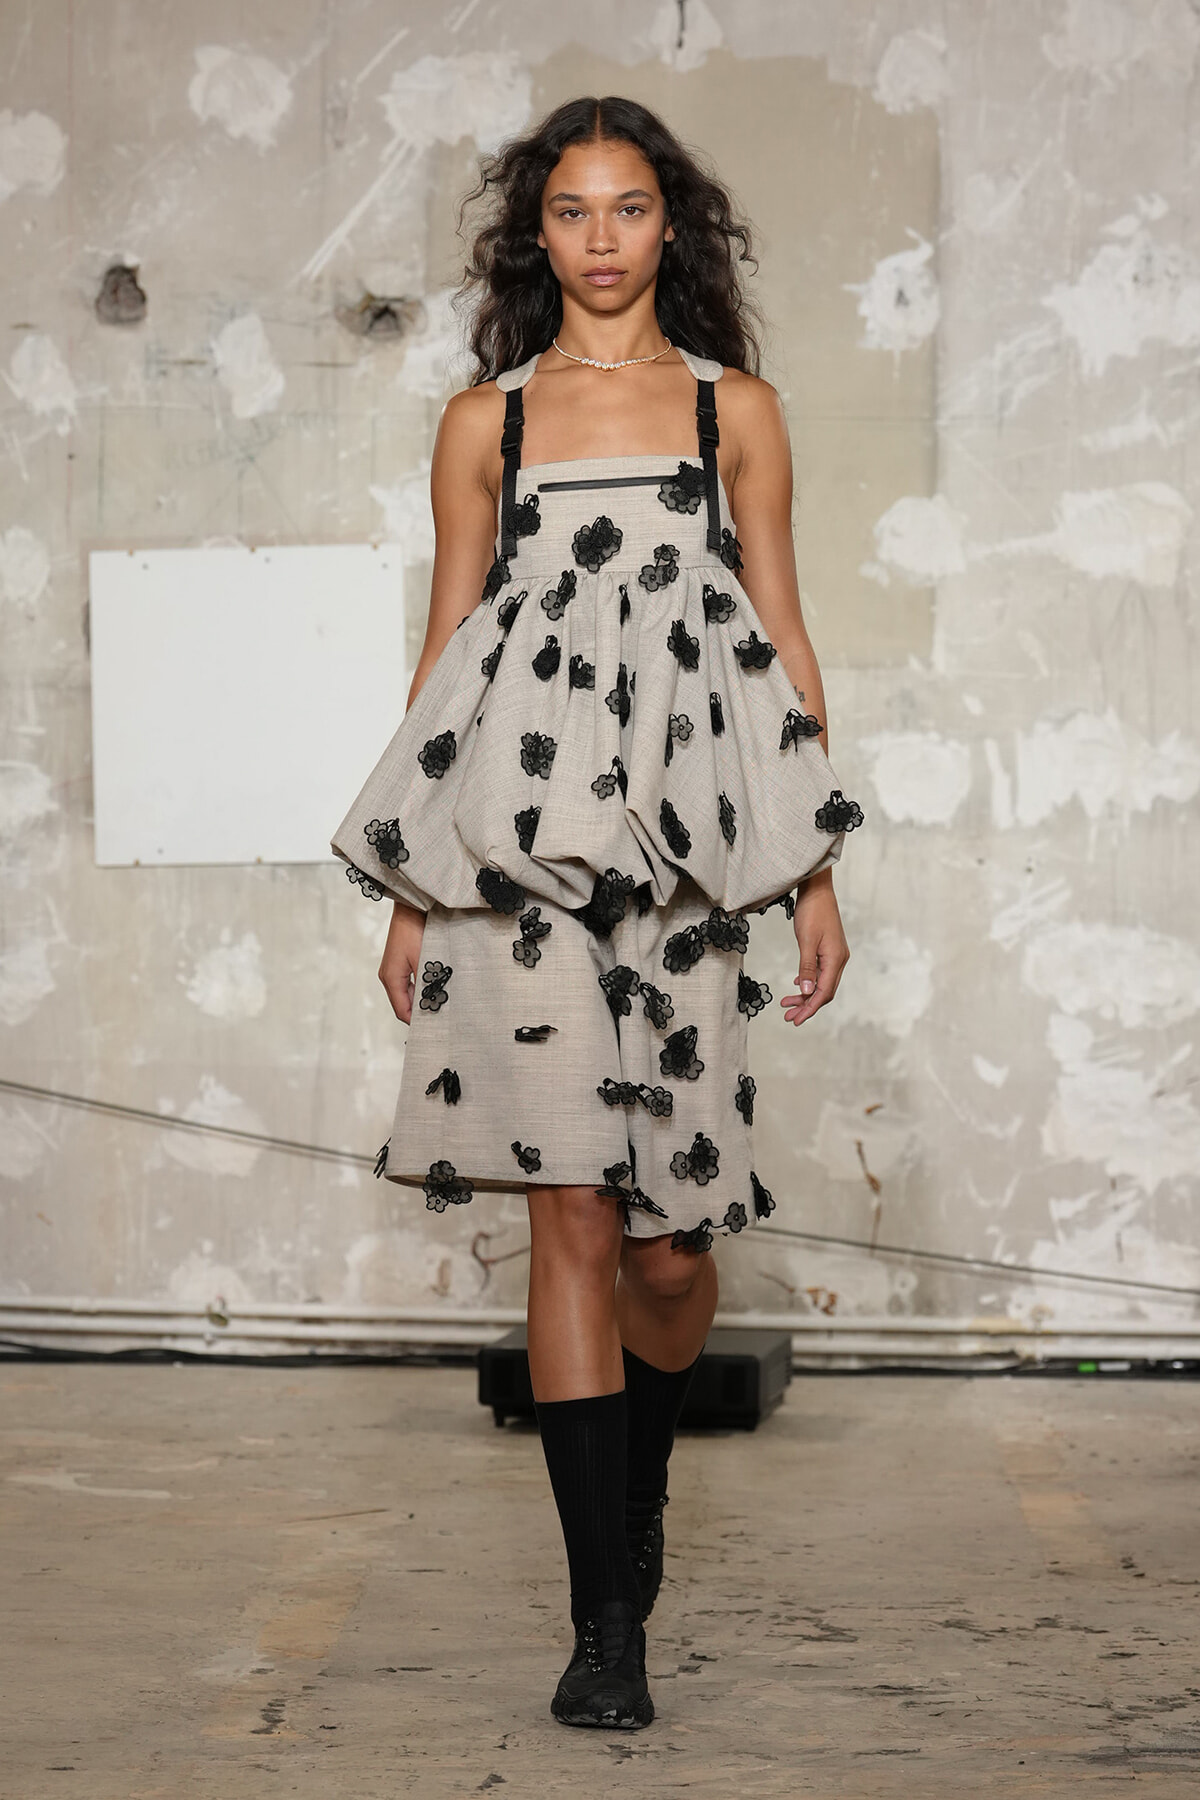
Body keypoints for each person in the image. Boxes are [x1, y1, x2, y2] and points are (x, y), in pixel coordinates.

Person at [332, 95, 862, 1730]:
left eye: (630, 208)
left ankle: (638, 1492)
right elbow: (447, 652)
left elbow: (778, 637)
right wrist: (417, 880)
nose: (604, 237)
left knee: (672, 1245)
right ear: (536, 236)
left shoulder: (734, 415)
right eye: (573, 210)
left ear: (669, 229)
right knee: (566, 1211)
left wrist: (817, 867)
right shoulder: (482, 423)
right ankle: (603, 1624)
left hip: (694, 866)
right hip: (519, 867)